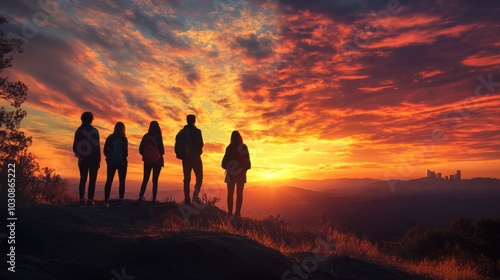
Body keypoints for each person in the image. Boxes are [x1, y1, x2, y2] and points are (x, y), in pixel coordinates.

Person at [73, 112, 101, 207]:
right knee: (92, 180)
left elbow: (74, 146)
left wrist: (79, 154)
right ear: (91, 119)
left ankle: (81, 200)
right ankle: (90, 200)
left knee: (83, 179)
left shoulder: (79, 131)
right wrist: (98, 160)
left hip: (82, 159)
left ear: (82, 119)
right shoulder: (94, 131)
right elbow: (97, 147)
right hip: (93, 159)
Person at [175, 114, 204, 204]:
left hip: (186, 159)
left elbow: (177, 145)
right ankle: (195, 198)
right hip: (195, 158)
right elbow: (201, 144)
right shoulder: (197, 131)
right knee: (199, 177)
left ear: (187, 120)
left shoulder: (181, 132)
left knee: (187, 179)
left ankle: (187, 199)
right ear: (194, 121)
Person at [221, 131, 251, 217]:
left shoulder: (229, 148)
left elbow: (223, 164)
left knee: (230, 194)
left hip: (230, 175)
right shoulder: (244, 147)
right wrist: (243, 169)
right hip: (241, 175)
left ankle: (230, 212)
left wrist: (230, 168)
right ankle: (237, 213)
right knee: (239, 194)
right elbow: (248, 163)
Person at [138, 121, 165, 205]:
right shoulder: (158, 137)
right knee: (155, 180)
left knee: (145, 179)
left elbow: (140, 150)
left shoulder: (146, 136)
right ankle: (153, 199)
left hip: (147, 162)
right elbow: (162, 151)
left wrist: (147, 156)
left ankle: (140, 197)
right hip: (157, 161)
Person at [103, 122, 128, 207]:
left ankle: (106, 200)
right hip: (122, 163)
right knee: (122, 181)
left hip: (111, 163)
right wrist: (123, 159)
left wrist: (109, 157)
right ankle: (120, 201)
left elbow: (105, 150)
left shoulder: (110, 137)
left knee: (109, 180)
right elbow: (126, 152)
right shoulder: (124, 139)